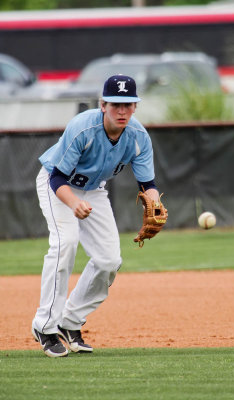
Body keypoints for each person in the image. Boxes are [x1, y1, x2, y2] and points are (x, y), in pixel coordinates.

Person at [32, 74, 161, 357]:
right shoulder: (82, 128)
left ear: (135, 107)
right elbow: (57, 179)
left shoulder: (138, 137)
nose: (122, 110)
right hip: (59, 186)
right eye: (116, 104)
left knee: (108, 260)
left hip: (93, 190)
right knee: (65, 243)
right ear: (103, 105)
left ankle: (70, 321)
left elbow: (147, 184)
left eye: (128, 104)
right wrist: (73, 203)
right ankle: (45, 326)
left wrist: (155, 206)